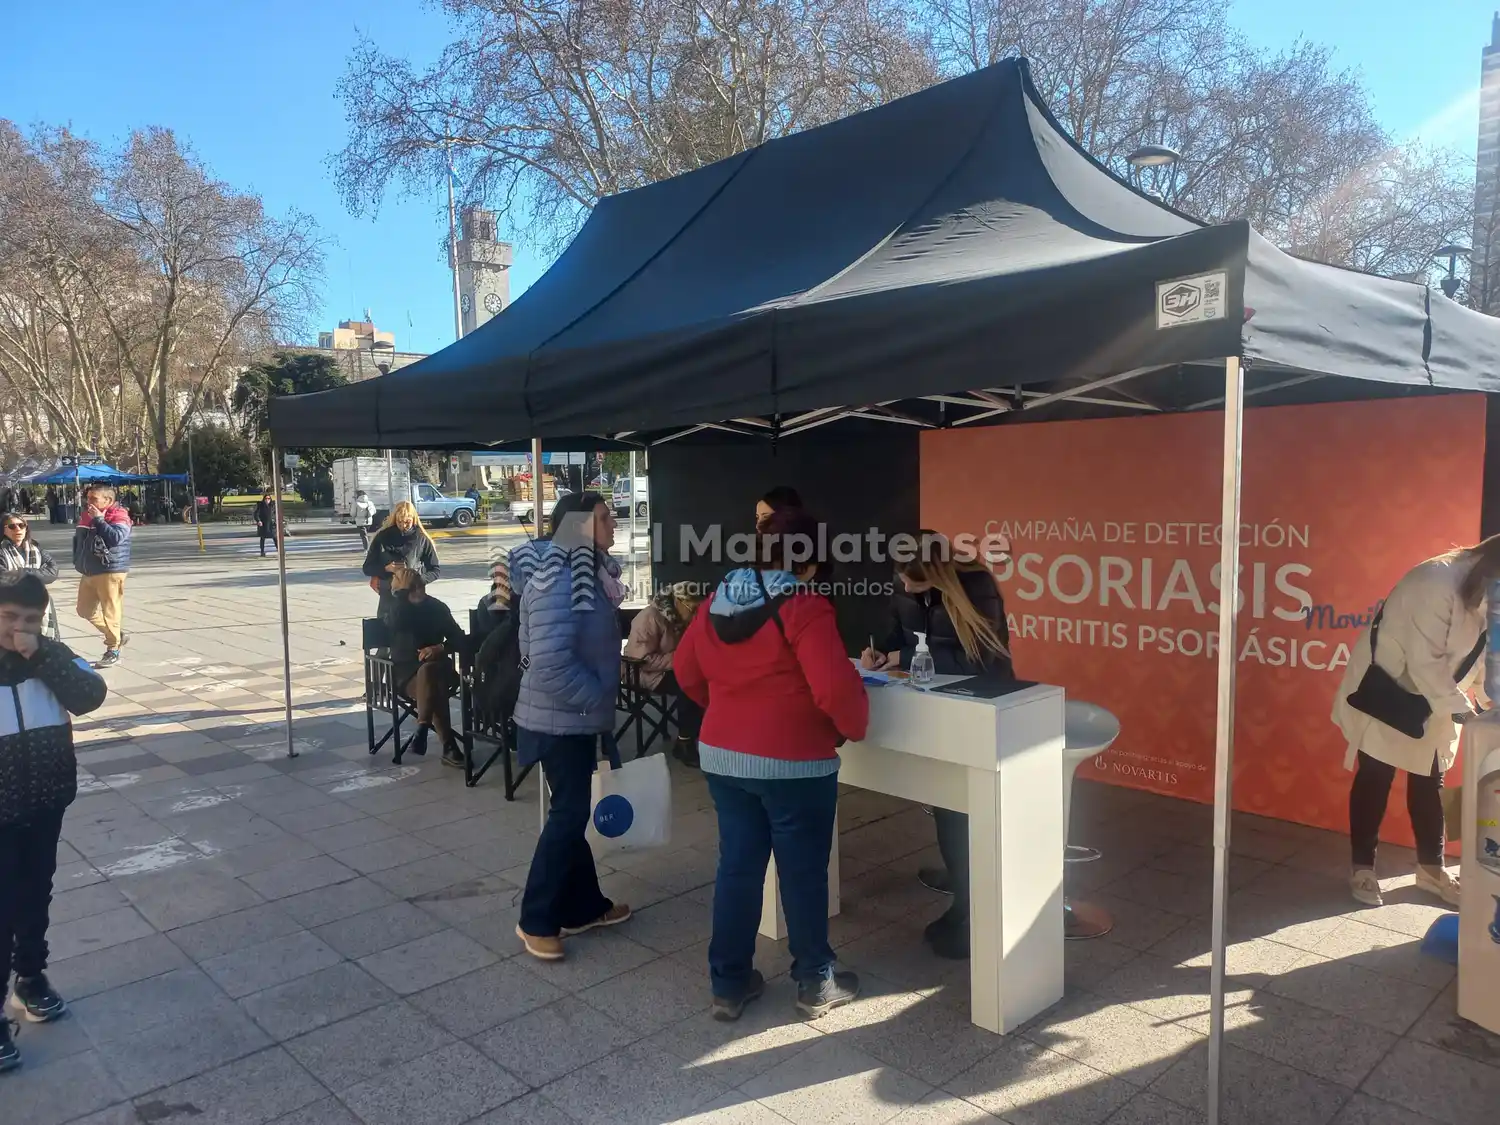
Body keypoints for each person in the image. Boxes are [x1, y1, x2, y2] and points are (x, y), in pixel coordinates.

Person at [675, 507, 869, 1021]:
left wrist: (722, 709)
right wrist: (845, 729)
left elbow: (685, 671)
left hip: (722, 756)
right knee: (803, 871)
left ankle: (729, 983)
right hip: (794, 764)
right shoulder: (804, 606)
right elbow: (834, 688)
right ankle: (814, 980)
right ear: (806, 563)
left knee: (737, 867)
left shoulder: (715, 601)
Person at [862, 531, 1011, 960]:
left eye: (916, 582)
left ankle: (972, 907)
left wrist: (904, 660)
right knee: (947, 803)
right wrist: (881, 652)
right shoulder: (906, 585)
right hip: (929, 712)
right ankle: (964, 888)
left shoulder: (978, 587)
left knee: (963, 808)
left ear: (941, 574)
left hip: (978, 711)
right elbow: (897, 635)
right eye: (902, 579)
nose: (906, 588)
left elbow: (979, 662)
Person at [1332, 536, 1498, 908]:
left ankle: (1431, 869)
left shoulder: (1490, 591)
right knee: (1376, 773)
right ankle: (1362, 868)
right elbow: (1425, 660)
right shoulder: (1437, 581)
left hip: (1439, 692)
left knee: (1431, 776)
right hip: (1392, 687)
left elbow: (1484, 655)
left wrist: (1491, 704)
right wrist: (1464, 713)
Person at [512, 492, 630, 962]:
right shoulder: (560, 576)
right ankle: (535, 918)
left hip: (569, 715)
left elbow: (531, 646)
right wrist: (594, 698)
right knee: (568, 815)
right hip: (561, 719)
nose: (613, 522)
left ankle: (584, 907)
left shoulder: (584, 571)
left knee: (572, 810)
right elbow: (546, 659)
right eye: (603, 517)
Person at [0, 573, 109, 1072]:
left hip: (45, 799)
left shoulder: (52, 655)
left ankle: (31, 977)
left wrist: (40, 655)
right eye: (8, 619)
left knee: (34, 892)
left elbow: (90, 694)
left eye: (31, 621)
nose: (20, 629)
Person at [389, 569, 468, 768]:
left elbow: (460, 638)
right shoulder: (399, 609)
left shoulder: (437, 608)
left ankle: (423, 728)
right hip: (407, 675)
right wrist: (401, 596)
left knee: (431, 672)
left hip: (440, 669)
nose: (392, 582)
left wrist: (440, 647)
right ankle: (448, 745)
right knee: (432, 682)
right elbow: (393, 623)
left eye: (396, 580)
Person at [622, 581, 706, 766]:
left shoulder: (680, 619)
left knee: (704, 682)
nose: (694, 615)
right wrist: (681, 658)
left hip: (667, 669)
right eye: (692, 609)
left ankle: (695, 737)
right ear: (678, 602)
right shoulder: (650, 618)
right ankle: (685, 743)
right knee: (689, 685)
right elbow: (642, 660)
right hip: (640, 673)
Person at [71, 484, 131, 669]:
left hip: (110, 570)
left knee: (110, 612)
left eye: (94, 499)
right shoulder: (86, 515)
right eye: (88, 498)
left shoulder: (119, 515)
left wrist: (99, 520)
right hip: (88, 570)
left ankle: (113, 649)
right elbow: (78, 540)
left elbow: (115, 538)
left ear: (108, 501)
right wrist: (77, 560)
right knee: (84, 610)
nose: (89, 503)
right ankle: (116, 635)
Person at [361, 501, 440, 626]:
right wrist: (386, 569)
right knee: (385, 637)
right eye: (399, 521)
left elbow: (435, 570)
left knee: (413, 636)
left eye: (407, 522)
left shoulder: (421, 539)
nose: (403, 525)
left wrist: (417, 579)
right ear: (394, 519)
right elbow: (367, 568)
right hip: (388, 596)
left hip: (414, 595)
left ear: (413, 519)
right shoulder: (382, 537)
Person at [0, 514, 59, 641]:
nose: (18, 529)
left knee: (45, 643)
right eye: (12, 526)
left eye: (21, 525)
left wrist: (23, 572)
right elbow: (3, 577)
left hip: (40, 602)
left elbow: (53, 571)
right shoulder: (1, 552)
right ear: (4, 530)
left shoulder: (36, 548)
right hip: (11, 604)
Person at [253, 492, 278, 557]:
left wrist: (276, 520)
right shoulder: (260, 505)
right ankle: (262, 552)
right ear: (264, 499)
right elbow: (256, 514)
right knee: (262, 538)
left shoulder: (273, 505)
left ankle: (279, 550)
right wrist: (258, 521)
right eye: (266, 498)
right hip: (263, 524)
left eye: (269, 498)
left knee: (275, 537)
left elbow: (276, 514)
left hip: (271, 524)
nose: (267, 500)